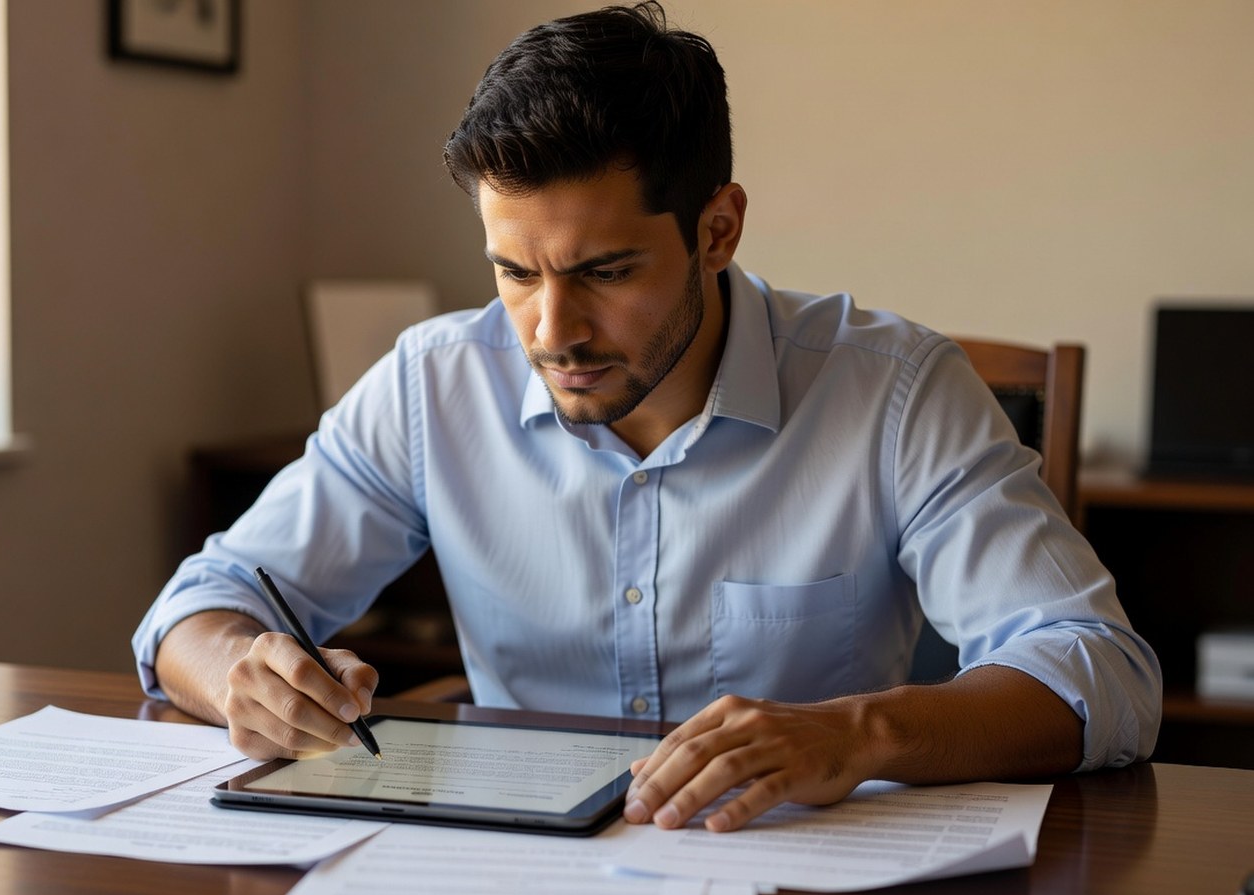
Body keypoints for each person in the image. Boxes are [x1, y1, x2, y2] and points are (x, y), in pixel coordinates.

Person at [133, 2, 1160, 833]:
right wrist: (241, 675)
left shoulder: (893, 391)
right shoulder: (432, 383)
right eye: (512, 271)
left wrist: (854, 733)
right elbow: (202, 603)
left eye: (604, 272)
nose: (550, 328)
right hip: (506, 892)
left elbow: (1097, 670)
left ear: (718, 228)